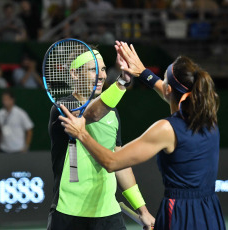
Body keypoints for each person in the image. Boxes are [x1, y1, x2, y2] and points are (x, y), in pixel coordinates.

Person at [59, 41, 226, 230]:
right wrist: (142, 72)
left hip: (179, 213)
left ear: (168, 90)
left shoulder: (166, 129)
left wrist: (82, 134)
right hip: (210, 211)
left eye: (163, 80)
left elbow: (112, 162)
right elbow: (166, 90)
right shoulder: (209, 121)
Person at [47, 45, 155, 230]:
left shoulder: (112, 112)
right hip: (68, 214)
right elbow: (92, 114)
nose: (102, 75)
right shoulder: (62, 108)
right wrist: (121, 82)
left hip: (109, 215)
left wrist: (142, 209)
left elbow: (120, 164)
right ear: (74, 74)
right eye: (93, 69)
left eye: (103, 69)